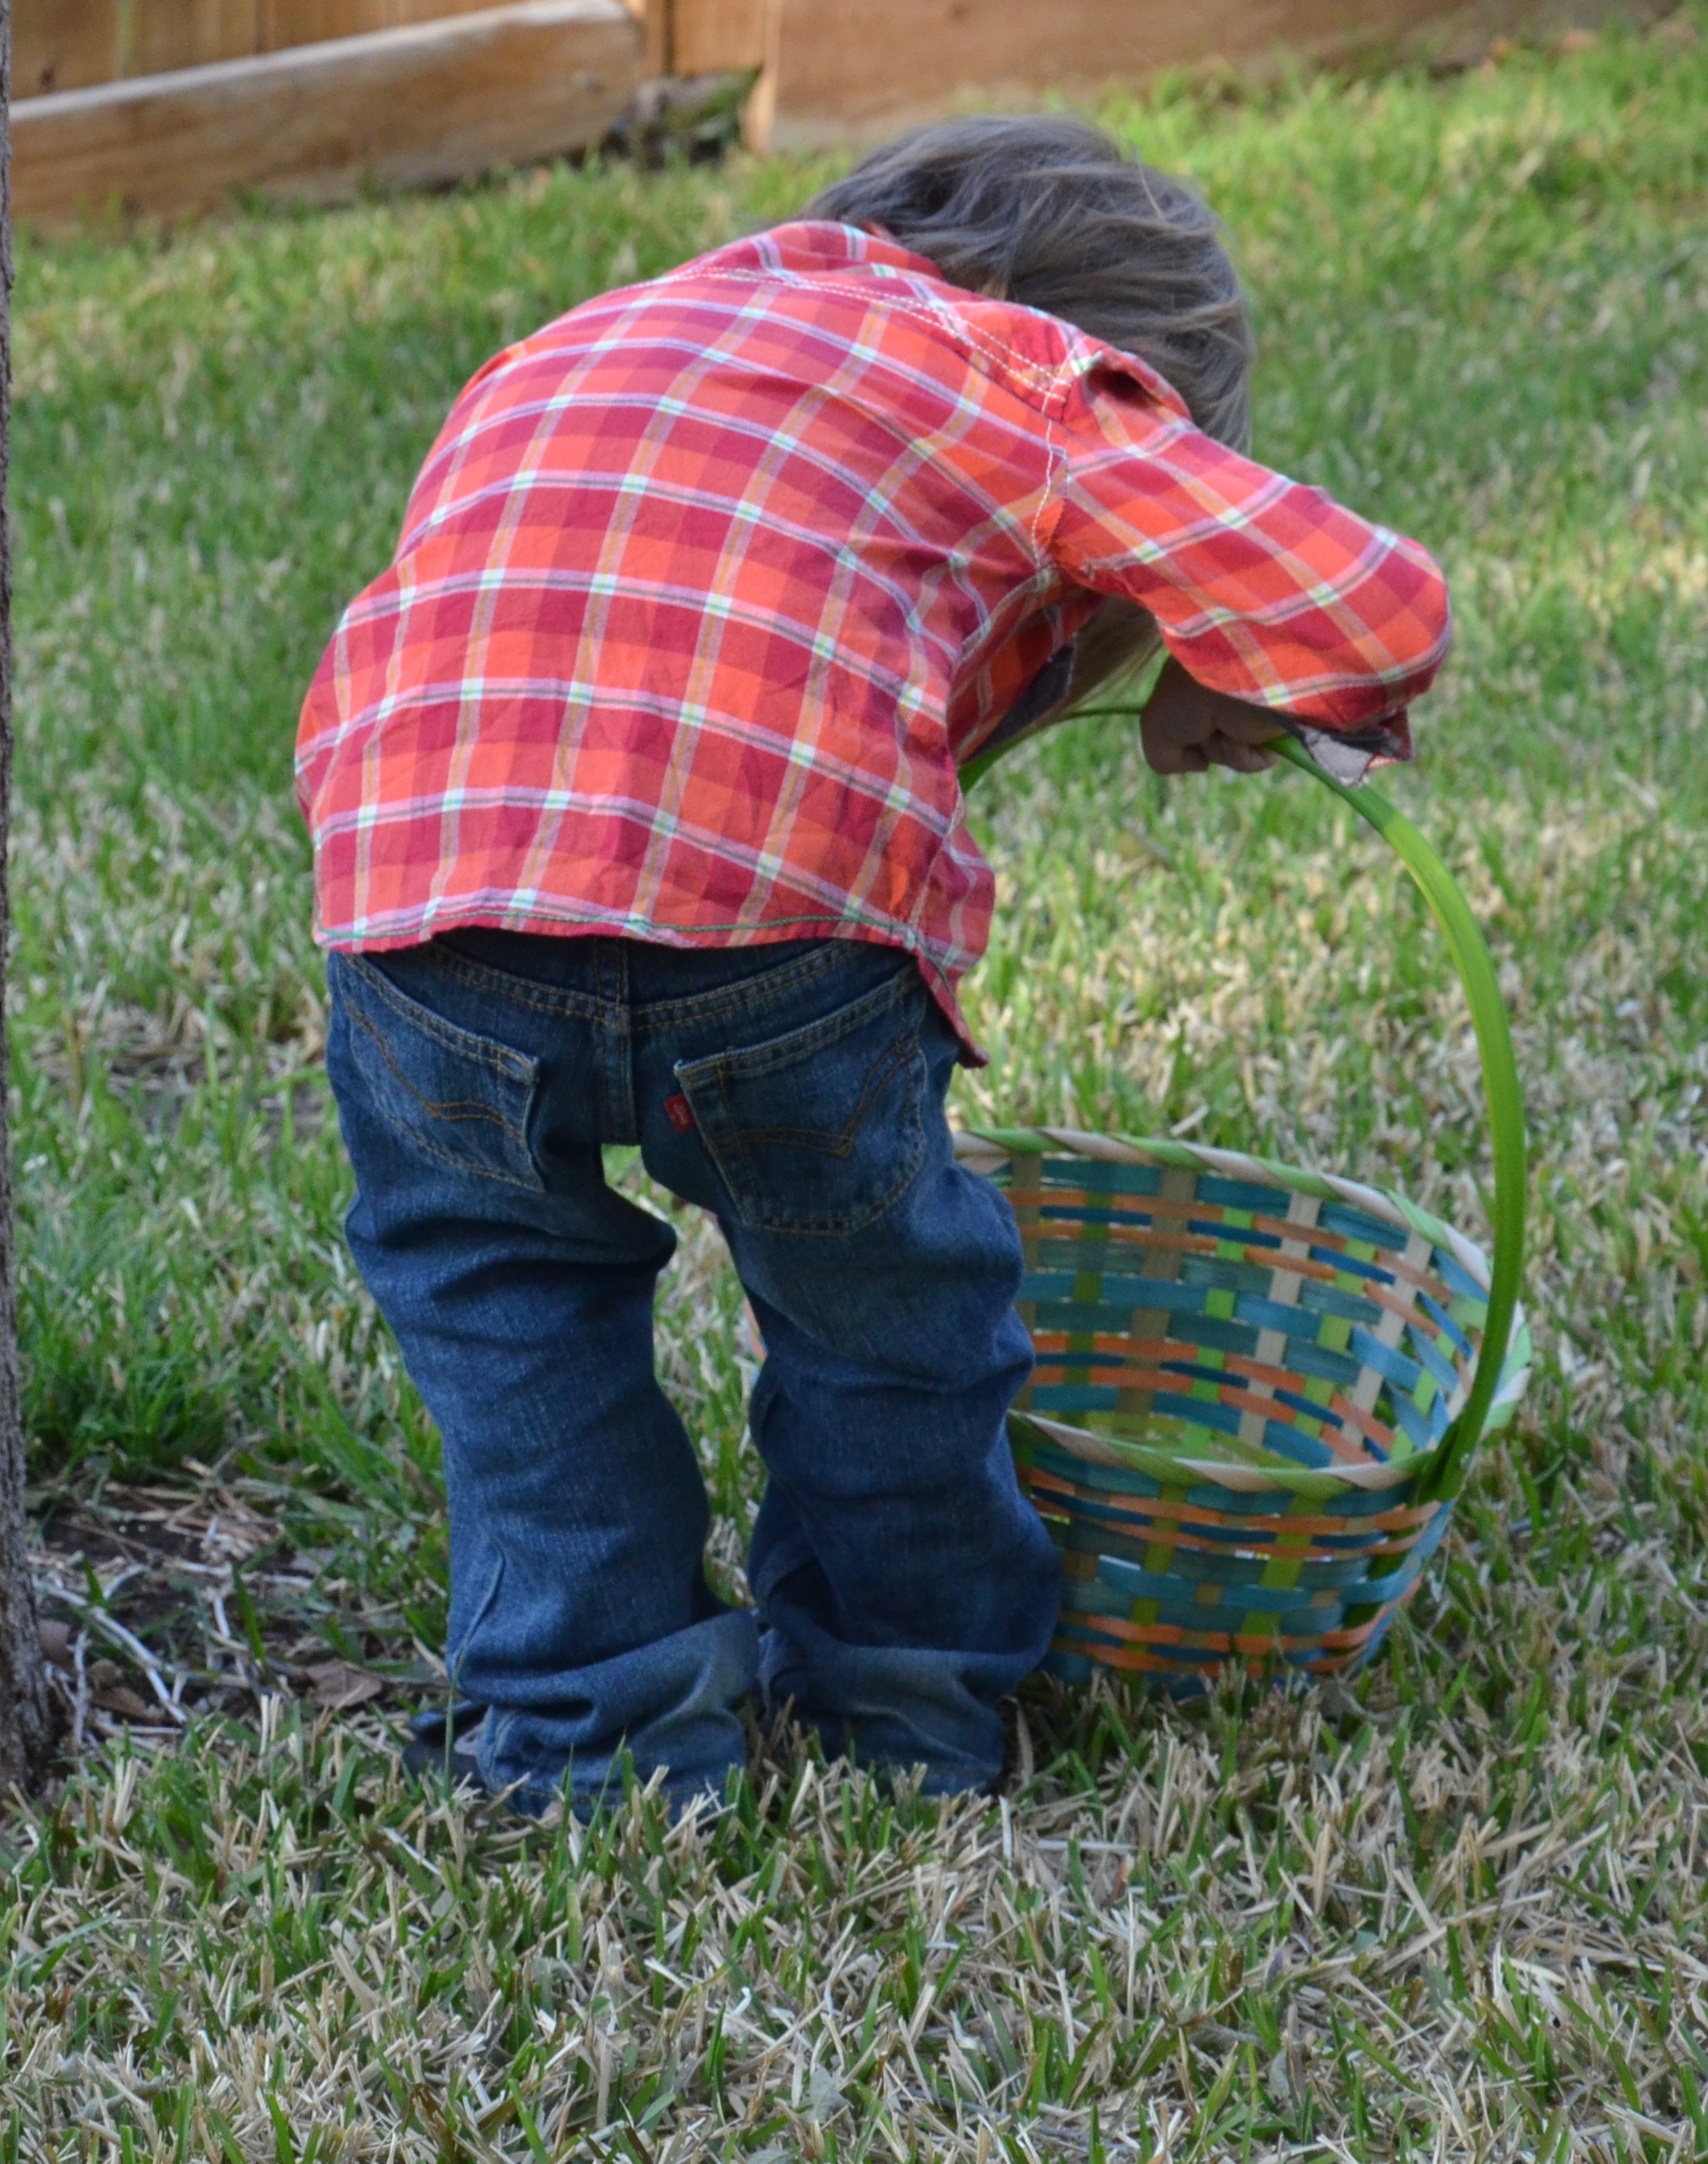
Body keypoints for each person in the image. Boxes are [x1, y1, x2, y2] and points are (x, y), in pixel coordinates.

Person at [296, 114, 1453, 1818]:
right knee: (885, 1311)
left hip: (424, 886)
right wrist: (1223, 647)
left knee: (503, 1309)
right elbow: (1377, 605)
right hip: (779, 920)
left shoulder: (593, 331)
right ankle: (900, 1712)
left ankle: (591, 1741)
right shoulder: (1028, 373)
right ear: (1129, 362)